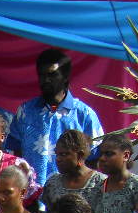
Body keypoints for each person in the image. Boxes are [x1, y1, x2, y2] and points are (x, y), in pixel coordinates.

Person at [6, 48, 104, 185]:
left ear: (65, 77)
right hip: (31, 197)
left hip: (71, 197)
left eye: (52, 75)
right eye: (42, 75)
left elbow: (95, 158)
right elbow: (13, 154)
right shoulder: (25, 111)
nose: (46, 80)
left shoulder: (84, 114)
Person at [39, 129, 106, 213]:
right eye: (57, 154)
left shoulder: (101, 183)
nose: (58, 159)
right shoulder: (52, 183)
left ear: (80, 155)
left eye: (64, 154)